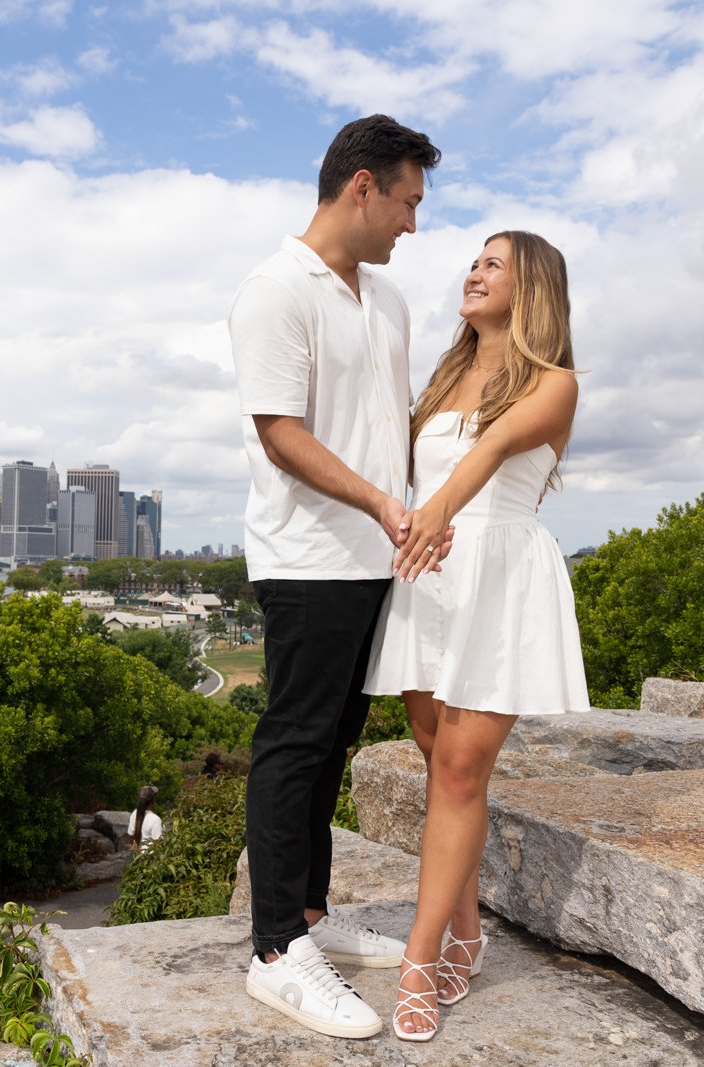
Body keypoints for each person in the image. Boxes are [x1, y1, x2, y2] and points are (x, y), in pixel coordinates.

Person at [230, 113, 444, 1040]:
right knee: (295, 740)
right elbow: (281, 434)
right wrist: (379, 501)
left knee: (333, 742)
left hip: (376, 557)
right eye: (407, 202)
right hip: (309, 556)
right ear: (363, 186)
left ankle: (311, 916)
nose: (412, 224)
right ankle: (277, 950)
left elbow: (394, 421)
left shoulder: (387, 299)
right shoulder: (275, 291)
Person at [363, 230, 589, 1042]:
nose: (474, 272)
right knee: (438, 761)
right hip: (431, 577)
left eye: (494, 264)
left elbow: (492, 447)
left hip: (497, 575)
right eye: (474, 261)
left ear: (531, 287)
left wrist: (434, 514)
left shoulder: (555, 383)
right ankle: (465, 931)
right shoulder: (442, 377)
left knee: (461, 768)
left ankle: (420, 959)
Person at [129, 785, 163, 850]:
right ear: (153, 800)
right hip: (150, 855)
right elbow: (159, 844)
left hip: (138, 854)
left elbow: (131, 836)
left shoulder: (134, 814)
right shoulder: (155, 820)